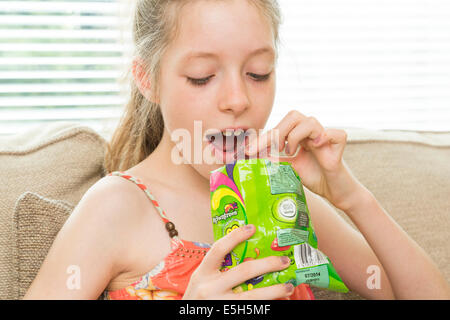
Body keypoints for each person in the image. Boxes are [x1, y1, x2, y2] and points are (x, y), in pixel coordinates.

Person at [24, 0, 449, 300]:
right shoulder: (116, 208)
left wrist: (352, 198)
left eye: (258, 73)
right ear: (148, 80)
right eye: (202, 77)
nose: (237, 100)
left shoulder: (282, 196)